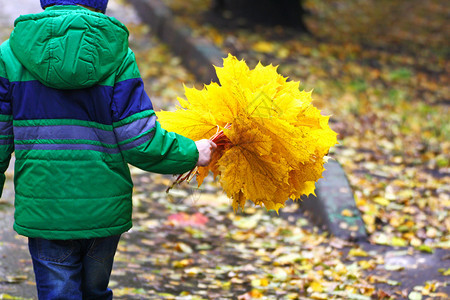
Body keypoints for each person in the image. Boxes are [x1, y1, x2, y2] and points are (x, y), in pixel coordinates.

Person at [0, 0, 216, 298]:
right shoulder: (116, 54)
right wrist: (192, 152)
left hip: (45, 211)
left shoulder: (10, 55)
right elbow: (139, 138)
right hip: (104, 212)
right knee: (94, 292)